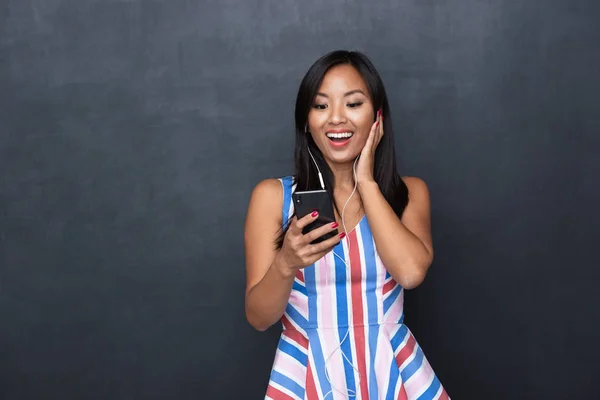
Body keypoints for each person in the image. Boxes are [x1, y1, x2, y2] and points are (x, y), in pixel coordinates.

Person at [244, 50, 450, 400]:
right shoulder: (272, 197)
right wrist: (286, 263)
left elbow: (412, 273)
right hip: (305, 375)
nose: (336, 119)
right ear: (306, 121)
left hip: (394, 374)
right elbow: (259, 317)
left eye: (353, 104)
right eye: (321, 106)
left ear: (377, 117)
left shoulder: (409, 193)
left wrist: (366, 181)